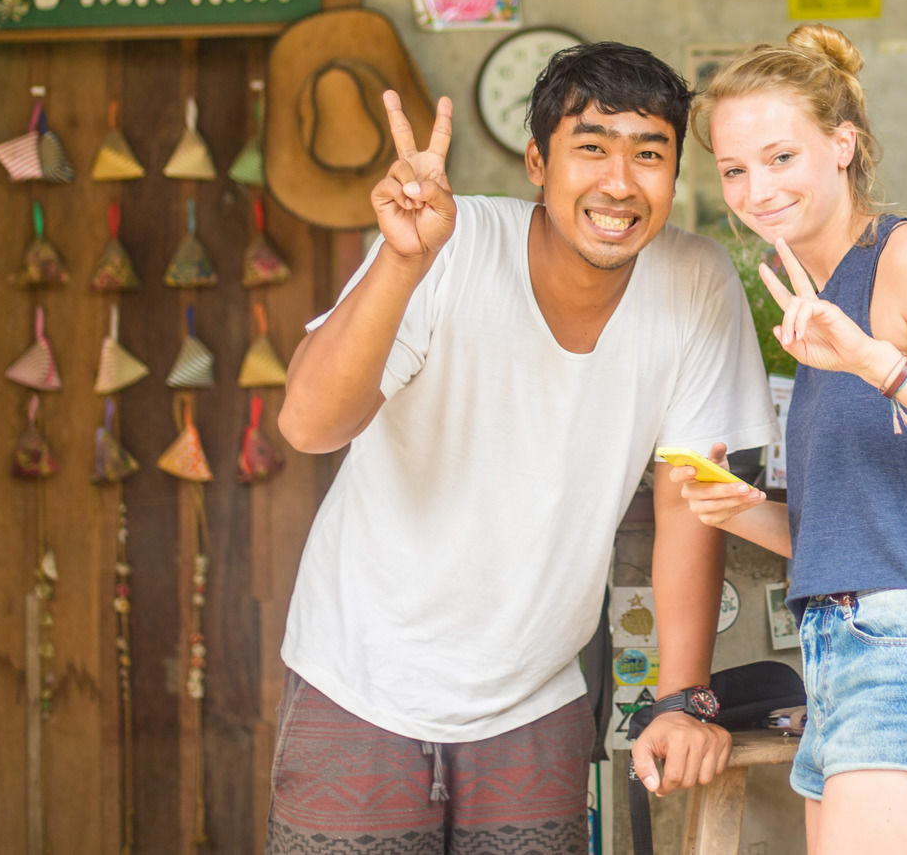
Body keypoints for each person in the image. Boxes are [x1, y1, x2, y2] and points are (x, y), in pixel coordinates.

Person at [268, 42, 777, 855]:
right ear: (538, 161)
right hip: (358, 675)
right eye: (591, 147)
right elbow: (308, 425)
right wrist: (401, 261)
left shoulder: (694, 280)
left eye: (650, 153)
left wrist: (682, 696)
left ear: (676, 173)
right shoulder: (449, 245)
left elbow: (693, 494)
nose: (620, 182)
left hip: (533, 695)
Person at [668, 24, 907, 855]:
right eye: (733, 168)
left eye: (780, 157)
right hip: (844, 652)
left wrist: (874, 359)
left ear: (841, 144)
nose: (754, 188)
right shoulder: (815, 294)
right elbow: (860, 537)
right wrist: (739, 512)